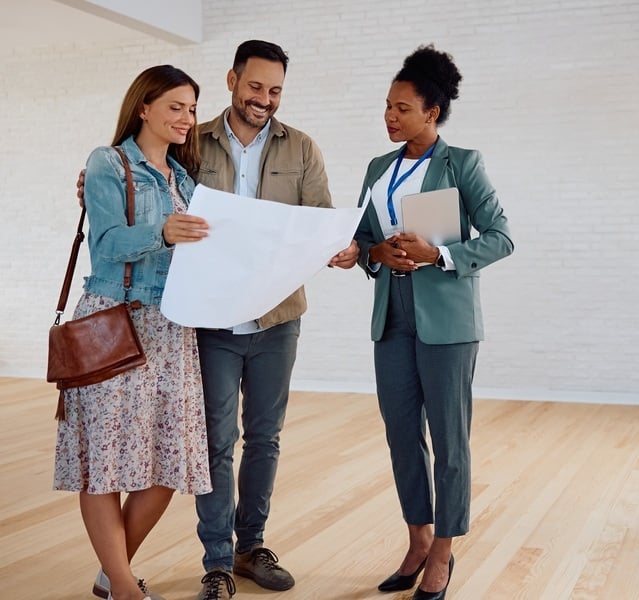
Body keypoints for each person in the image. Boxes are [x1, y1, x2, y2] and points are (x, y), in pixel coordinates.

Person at [189, 40, 358, 600]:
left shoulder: (301, 148)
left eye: (276, 90)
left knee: (264, 437)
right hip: (212, 317)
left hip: (278, 317)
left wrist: (340, 248)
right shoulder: (192, 140)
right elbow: (149, 184)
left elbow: (321, 220)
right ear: (233, 80)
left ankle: (250, 545)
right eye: (256, 86)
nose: (265, 99)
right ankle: (215, 560)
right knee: (216, 439)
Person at [353, 45, 513, 600]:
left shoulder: (462, 163)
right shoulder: (379, 168)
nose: (390, 117)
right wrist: (374, 254)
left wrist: (438, 256)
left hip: (447, 321)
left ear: (433, 113)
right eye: (387, 107)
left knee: (449, 440)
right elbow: (363, 238)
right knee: (402, 436)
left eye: (402, 108)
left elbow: (500, 237)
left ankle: (444, 550)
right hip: (391, 316)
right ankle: (417, 539)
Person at [54, 65, 212, 600]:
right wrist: (163, 231)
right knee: (106, 463)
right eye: (176, 106)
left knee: (172, 462)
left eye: (191, 108)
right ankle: (122, 584)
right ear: (143, 107)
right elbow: (106, 245)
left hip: (172, 328)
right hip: (113, 321)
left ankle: (110, 571)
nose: (187, 118)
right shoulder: (108, 162)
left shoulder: (185, 179)